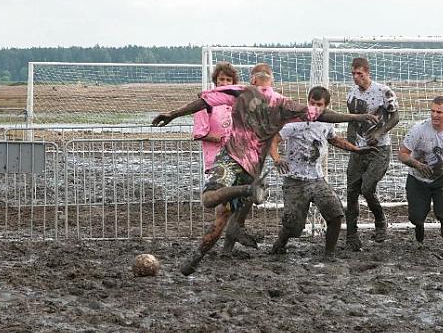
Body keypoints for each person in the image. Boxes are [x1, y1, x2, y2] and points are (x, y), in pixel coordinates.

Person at [152, 63, 380, 275]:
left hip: (231, 158)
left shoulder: (241, 91)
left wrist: (172, 114)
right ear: (271, 82)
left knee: (210, 200)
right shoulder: (281, 102)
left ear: (253, 80)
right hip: (252, 170)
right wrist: (357, 116)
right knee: (222, 217)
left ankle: (206, 246)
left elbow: (204, 101)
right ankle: (194, 259)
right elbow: (322, 114)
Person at [269, 86, 376, 261]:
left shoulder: (327, 122)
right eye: (312, 103)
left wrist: (356, 149)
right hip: (294, 180)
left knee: (335, 215)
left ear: (326, 106)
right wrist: (276, 158)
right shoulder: (295, 121)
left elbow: (334, 139)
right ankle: (280, 243)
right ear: (307, 101)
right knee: (294, 226)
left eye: (319, 105)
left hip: (317, 179)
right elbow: (273, 139)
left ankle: (329, 254)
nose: (315, 108)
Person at [397, 96, 443, 255]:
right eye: (432, 111)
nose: (434, 115)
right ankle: (419, 237)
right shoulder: (418, 130)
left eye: (439, 112)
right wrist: (417, 164)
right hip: (417, 179)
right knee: (416, 217)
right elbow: (402, 154)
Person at [192, 62, 251, 255]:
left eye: (228, 80)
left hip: (238, 158)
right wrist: (221, 138)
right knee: (223, 207)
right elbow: (199, 132)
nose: (224, 83)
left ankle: (226, 247)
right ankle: (204, 250)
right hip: (216, 159)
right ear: (215, 82)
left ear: (233, 82)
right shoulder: (206, 104)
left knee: (236, 204)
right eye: (221, 80)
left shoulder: (238, 103)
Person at [345, 57, 399, 251]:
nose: (356, 77)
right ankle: (351, 233)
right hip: (359, 149)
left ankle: (380, 222)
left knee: (367, 188)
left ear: (368, 72)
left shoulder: (384, 92)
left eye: (359, 74)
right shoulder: (351, 95)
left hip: (380, 149)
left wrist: (379, 132)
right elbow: (352, 120)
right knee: (351, 191)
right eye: (353, 74)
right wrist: (350, 142)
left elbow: (396, 117)